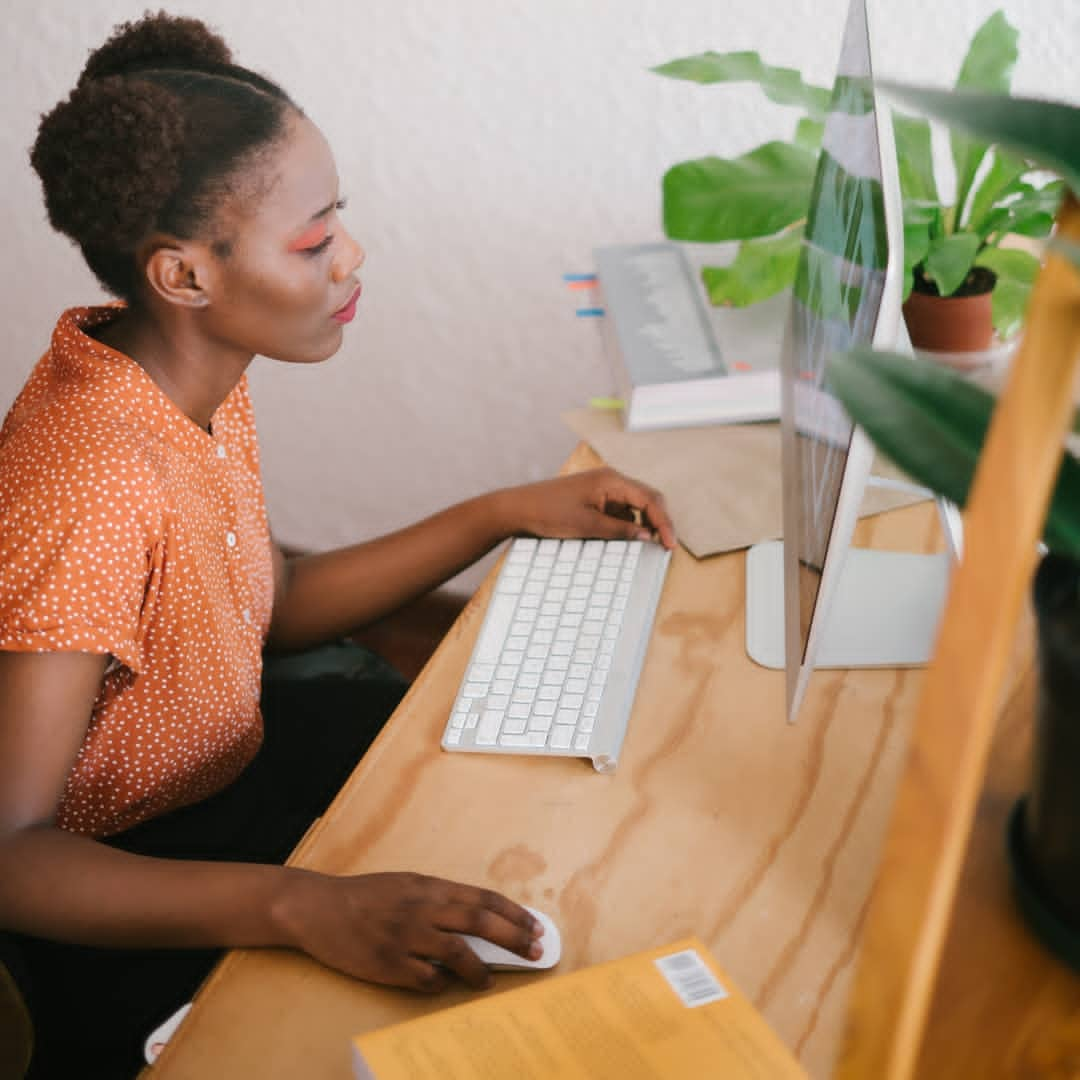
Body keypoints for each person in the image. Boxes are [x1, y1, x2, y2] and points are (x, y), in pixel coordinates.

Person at [0, 11, 676, 1078]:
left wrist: (495, 513)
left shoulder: (181, 379)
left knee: (554, 824)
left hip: (237, 773)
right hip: (131, 884)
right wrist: (297, 903)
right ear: (185, 276)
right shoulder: (91, 480)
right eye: (315, 240)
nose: (351, 256)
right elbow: (13, 855)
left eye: (337, 221)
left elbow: (270, 603)